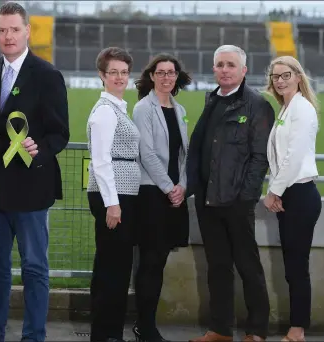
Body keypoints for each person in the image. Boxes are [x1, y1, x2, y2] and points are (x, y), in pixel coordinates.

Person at [0, 2, 69, 342]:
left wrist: (39, 149)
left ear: (27, 31)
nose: (8, 35)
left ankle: (33, 336)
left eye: (14, 29)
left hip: (31, 189)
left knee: (34, 269)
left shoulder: (47, 75)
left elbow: (59, 133)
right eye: (1, 30)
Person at [185, 45, 275, 342]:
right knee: (218, 268)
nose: (224, 70)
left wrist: (245, 197)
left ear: (243, 71)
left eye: (231, 65)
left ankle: (256, 331)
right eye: (220, 65)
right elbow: (201, 150)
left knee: (248, 267)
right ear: (214, 69)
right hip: (208, 201)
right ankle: (220, 330)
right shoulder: (212, 100)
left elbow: (260, 157)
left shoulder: (257, 105)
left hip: (236, 202)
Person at [131, 53, 192, 342]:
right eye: (162, 72)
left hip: (172, 196)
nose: (167, 77)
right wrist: (170, 188)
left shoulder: (178, 110)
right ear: (152, 76)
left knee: (159, 262)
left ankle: (147, 325)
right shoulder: (144, 108)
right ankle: (145, 327)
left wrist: (181, 185)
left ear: (177, 77)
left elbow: (183, 156)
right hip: (152, 195)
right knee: (150, 262)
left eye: (171, 72)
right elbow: (147, 153)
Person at [264, 56, 322, 342]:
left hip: (299, 194)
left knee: (296, 266)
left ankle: (297, 330)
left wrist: (274, 191)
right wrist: (275, 191)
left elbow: (294, 155)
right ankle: (296, 328)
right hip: (289, 194)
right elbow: (278, 158)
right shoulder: (285, 108)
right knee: (292, 265)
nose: (280, 80)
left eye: (285, 75)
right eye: (275, 76)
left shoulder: (302, 109)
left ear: (298, 77)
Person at [85, 46, 140, 342]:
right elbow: (102, 160)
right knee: (113, 267)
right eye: (113, 72)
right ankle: (106, 334)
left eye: (123, 72)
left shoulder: (118, 107)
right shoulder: (105, 112)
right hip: (114, 196)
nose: (119, 77)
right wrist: (113, 204)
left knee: (115, 264)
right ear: (102, 76)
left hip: (121, 194)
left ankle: (108, 332)